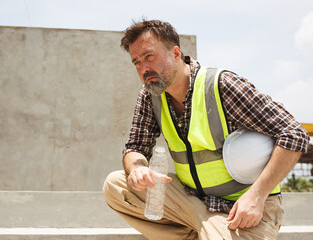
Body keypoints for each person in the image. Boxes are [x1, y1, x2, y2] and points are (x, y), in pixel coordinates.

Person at [103, 19, 310, 240]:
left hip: (241, 210)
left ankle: (210, 231)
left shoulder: (221, 85)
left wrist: (257, 196)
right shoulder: (150, 95)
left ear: (175, 53)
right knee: (116, 185)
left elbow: (293, 133)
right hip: (193, 204)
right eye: (136, 62)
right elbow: (135, 147)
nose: (144, 69)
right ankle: (205, 228)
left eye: (149, 57)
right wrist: (137, 169)